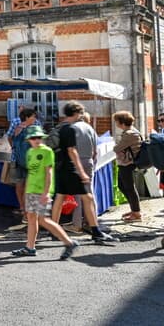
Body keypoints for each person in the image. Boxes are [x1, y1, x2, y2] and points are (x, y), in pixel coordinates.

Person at [10, 125, 80, 259]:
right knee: (31, 218)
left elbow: (49, 173)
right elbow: (31, 173)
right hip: (31, 190)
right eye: (33, 138)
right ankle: (30, 247)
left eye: (39, 137)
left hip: (42, 191)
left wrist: (46, 192)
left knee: (43, 220)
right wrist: (26, 192)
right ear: (29, 139)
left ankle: (69, 242)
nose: (36, 140)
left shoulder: (47, 151)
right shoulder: (30, 152)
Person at [51, 101, 114, 242]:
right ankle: (94, 230)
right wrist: (81, 171)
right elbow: (75, 150)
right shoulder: (80, 128)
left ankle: (55, 229)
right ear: (76, 113)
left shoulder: (62, 128)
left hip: (64, 166)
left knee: (61, 198)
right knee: (87, 197)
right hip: (76, 166)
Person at [113, 111, 143, 222]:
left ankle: (136, 213)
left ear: (121, 122)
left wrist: (116, 147)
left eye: (116, 121)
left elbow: (117, 148)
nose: (115, 123)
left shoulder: (130, 134)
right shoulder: (131, 131)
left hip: (127, 163)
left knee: (130, 188)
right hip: (126, 163)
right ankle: (134, 209)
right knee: (122, 185)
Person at [11, 108, 38, 221]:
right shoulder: (32, 130)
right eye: (33, 116)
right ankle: (27, 213)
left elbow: (13, 142)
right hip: (29, 162)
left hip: (18, 161)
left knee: (19, 185)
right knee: (28, 188)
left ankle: (22, 208)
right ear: (27, 117)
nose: (35, 118)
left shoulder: (18, 128)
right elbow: (36, 146)